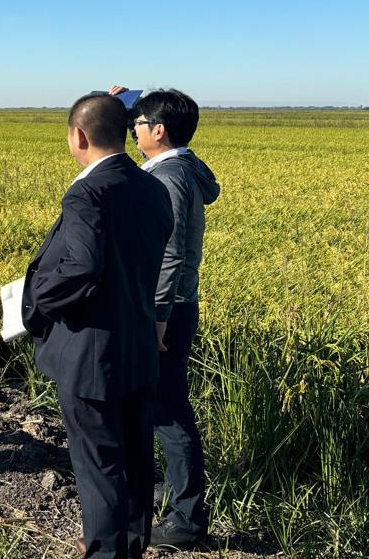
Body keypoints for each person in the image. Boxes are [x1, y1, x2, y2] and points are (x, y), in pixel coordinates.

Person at [22, 93, 173, 558]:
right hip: (137, 349)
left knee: (98, 467)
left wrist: (35, 300)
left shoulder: (87, 192)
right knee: (134, 462)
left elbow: (83, 268)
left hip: (92, 357)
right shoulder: (152, 188)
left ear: (79, 136)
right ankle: (130, 548)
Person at [124, 88, 220, 550]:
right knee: (161, 405)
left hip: (168, 309)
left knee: (168, 411)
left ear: (158, 131)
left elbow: (171, 253)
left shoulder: (170, 178)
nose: (132, 131)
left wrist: (158, 318)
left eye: (137, 124)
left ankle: (186, 519)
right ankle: (175, 488)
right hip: (173, 307)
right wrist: (128, 104)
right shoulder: (182, 166)